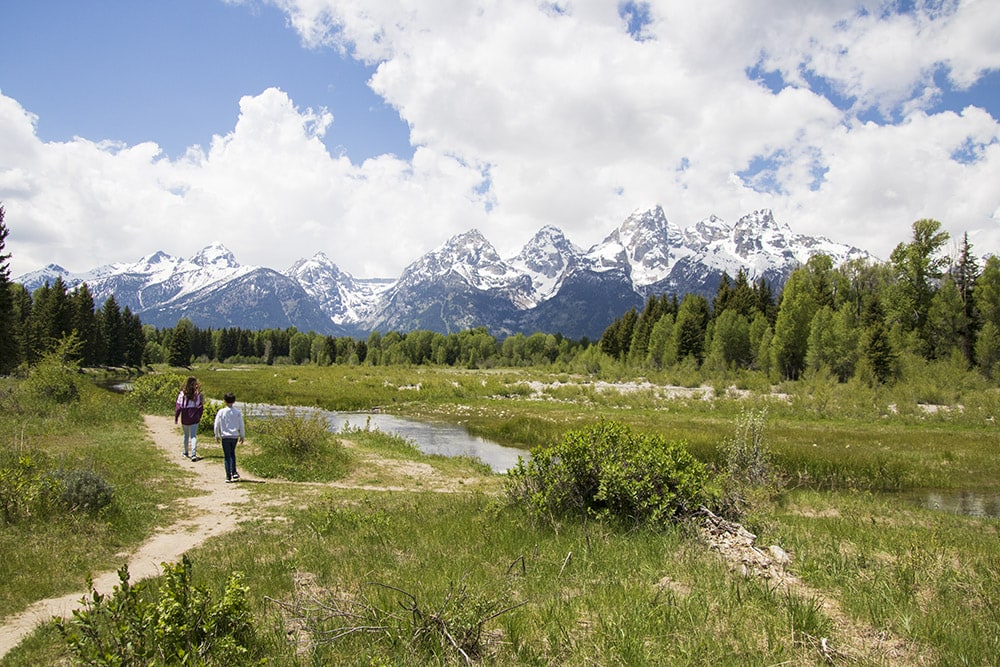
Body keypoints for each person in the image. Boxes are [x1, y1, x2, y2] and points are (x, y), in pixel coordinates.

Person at [214, 392, 245, 482]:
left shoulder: (221, 412)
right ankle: (234, 472)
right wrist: (242, 435)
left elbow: (217, 424)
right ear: (234, 401)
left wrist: (217, 434)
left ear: (224, 401)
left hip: (225, 436)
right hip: (234, 436)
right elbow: (241, 425)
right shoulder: (237, 412)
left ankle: (228, 476)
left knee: (227, 455)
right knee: (232, 453)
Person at [174, 376, 204, 461]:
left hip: (185, 415)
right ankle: (194, 454)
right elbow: (201, 407)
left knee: (186, 435)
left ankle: (186, 452)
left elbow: (178, 407)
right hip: (194, 415)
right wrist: (200, 416)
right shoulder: (198, 395)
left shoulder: (182, 394)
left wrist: (176, 417)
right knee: (193, 436)